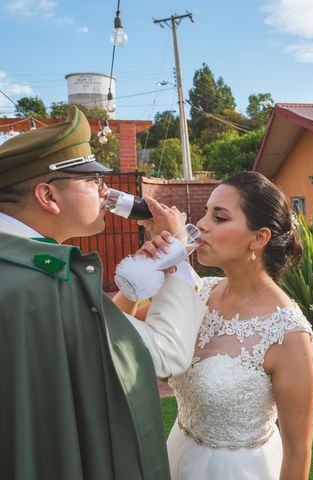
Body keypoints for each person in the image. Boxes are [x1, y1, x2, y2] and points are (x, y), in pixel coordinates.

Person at [0, 106, 202, 480]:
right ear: (48, 196)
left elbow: (88, 334)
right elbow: (166, 353)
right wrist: (177, 251)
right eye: (93, 182)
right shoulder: (44, 278)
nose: (106, 193)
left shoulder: (20, 266)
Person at [123, 171, 313, 479]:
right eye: (205, 213)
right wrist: (143, 271)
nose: (201, 224)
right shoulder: (201, 293)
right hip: (178, 454)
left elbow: (298, 454)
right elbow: (117, 332)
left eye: (220, 217)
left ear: (259, 238)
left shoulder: (289, 334)